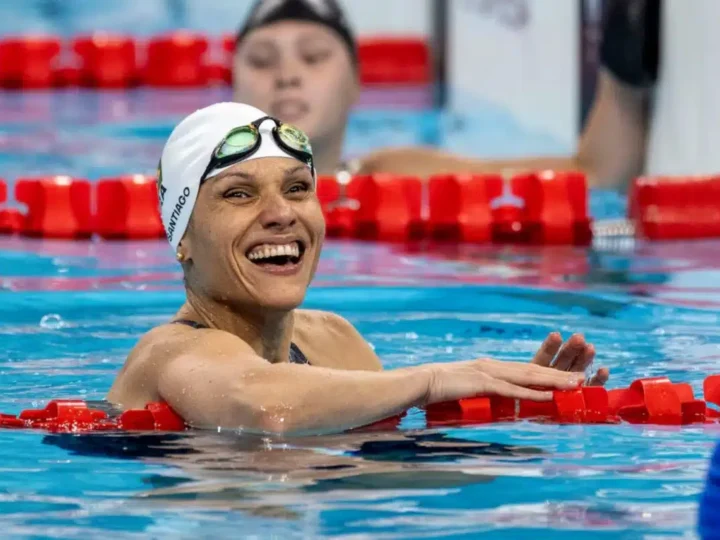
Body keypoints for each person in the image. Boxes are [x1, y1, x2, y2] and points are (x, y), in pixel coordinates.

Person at [107, 102, 609, 435]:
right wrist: (436, 380)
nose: (282, 213)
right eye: (239, 194)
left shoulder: (333, 340)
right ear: (183, 240)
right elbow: (264, 407)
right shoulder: (168, 353)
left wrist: (513, 413)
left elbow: (378, 468)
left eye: (297, 188)